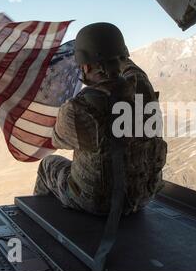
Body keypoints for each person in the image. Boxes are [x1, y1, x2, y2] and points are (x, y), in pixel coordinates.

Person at [34, 23, 167, 216]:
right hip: (144, 196)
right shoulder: (143, 85)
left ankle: (38, 223)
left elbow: (56, 140)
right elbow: (128, 66)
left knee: (47, 165)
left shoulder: (78, 109)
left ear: (85, 66)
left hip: (98, 203)